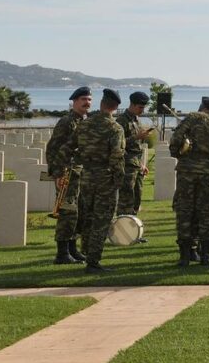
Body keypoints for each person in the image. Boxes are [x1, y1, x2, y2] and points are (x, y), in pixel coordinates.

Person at [57, 89, 126, 273]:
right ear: (116, 107)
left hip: (86, 176)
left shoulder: (84, 125)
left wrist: (61, 171)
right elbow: (117, 157)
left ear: (102, 103)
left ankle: (86, 252)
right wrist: (119, 181)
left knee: (87, 217)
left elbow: (66, 148)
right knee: (102, 220)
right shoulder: (115, 128)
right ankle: (93, 262)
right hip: (105, 177)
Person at [170, 96, 209, 267]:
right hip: (206, 172)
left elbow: (175, 140)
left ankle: (184, 256)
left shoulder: (193, 117)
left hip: (186, 171)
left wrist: (178, 154)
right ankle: (206, 255)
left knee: (184, 212)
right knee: (205, 214)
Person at [46, 86, 92, 265]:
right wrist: (57, 173)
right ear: (74, 102)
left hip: (80, 173)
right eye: (83, 100)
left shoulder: (84, 121)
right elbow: (52, 148)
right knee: (67, 212)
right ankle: (62, 253)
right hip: (67, 173)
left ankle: (73, 249)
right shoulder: (67, 121)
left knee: (78, 213)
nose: (87, 103)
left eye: (89, 100)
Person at [116, 91, 151, 219]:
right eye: (140, 107)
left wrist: (142, 164)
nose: (142, 110)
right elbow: (118, 144)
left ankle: (133, 229)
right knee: (127, 198)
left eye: (143, 108)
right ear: (132, 104)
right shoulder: (121, 121)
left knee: (137, 197)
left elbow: (138, 146)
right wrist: (137, 137)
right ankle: (123, 230)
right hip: (126, 164)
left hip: (136, 164)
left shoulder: (137, 120)